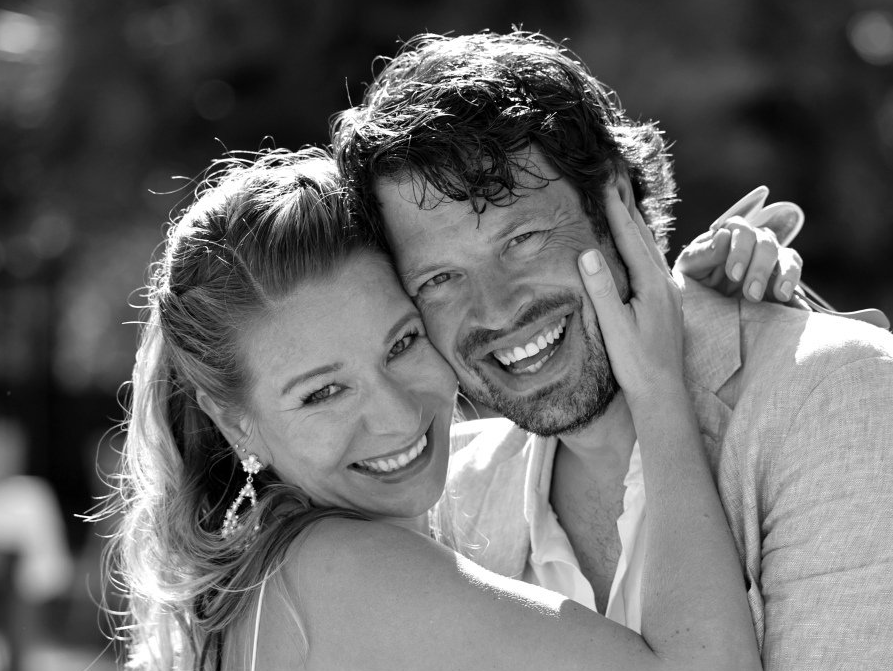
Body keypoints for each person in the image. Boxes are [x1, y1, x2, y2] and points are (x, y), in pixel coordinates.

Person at [102, 146, 802, 670]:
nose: (397, 415)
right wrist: (658, 382)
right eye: (322, 392)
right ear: (235, 422)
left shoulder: (258, 585)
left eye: (402, 342)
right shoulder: (343, 572)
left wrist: (688, 310)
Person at [332, 30, 893, 670]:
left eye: (522, 240)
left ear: (616, 200)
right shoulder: (443, 502)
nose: (495, 310)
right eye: (438, 279)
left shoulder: (835, 396)